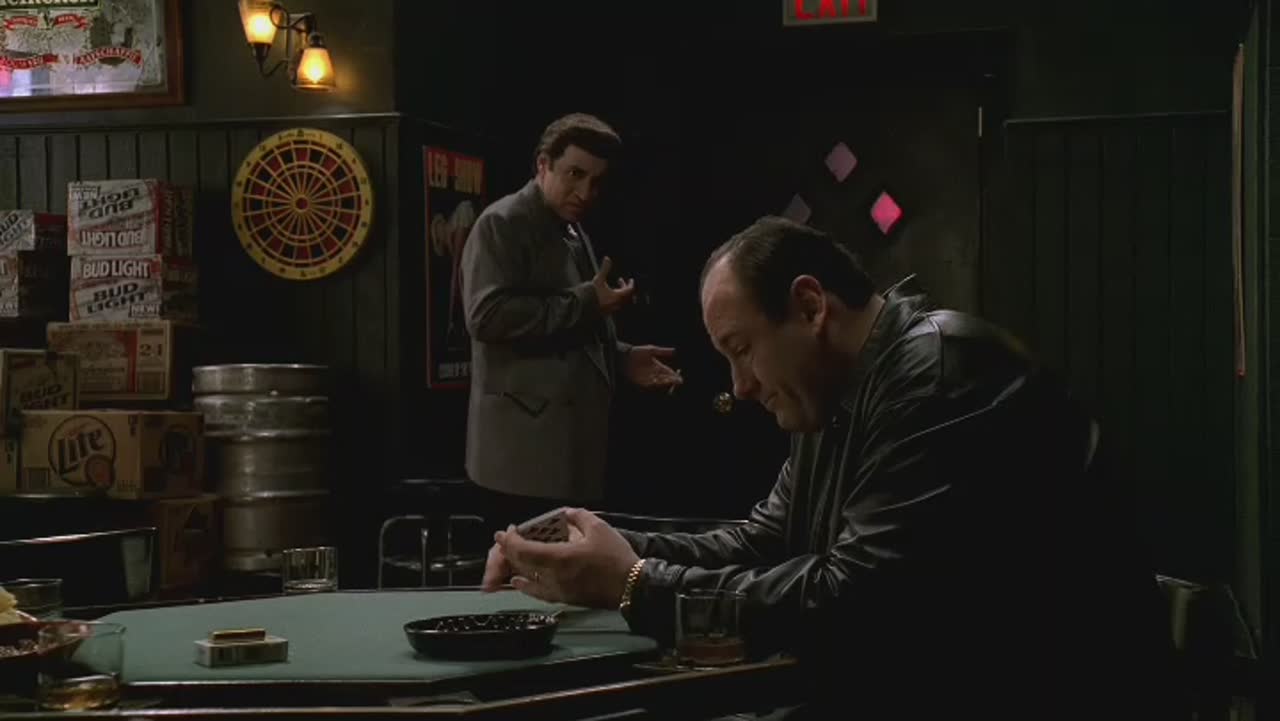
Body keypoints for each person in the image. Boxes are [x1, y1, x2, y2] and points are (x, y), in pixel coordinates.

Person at [480, 216, 1174, 720]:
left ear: (811, 306)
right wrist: (583, 540)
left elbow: (854, 601)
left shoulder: (935, 376)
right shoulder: (838, 392)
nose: (740, 385)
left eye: (742, 348)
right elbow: (764, 540)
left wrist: (633, 582)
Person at [460, 112, 683, 531]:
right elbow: (486, 317)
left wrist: (621, 357)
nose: (585, 192)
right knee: (528, 568)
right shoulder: (502, 223)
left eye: (595, 181)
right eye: (574, 174)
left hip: (563, 456)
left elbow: (568, 328)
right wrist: (587, 301)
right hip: (522, 461)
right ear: (543, 164)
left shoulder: (570, 228)